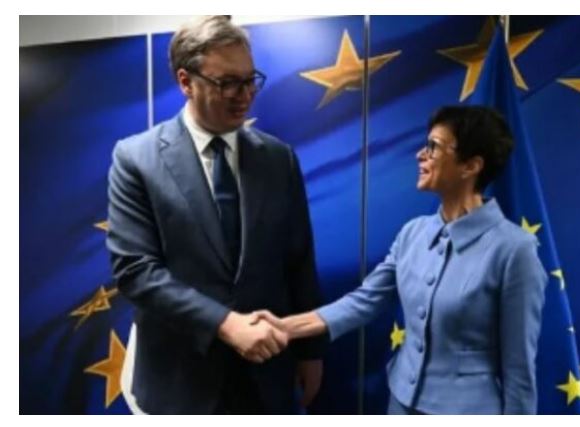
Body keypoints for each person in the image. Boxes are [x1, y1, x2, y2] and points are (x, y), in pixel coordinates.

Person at [256, 106, 547, 414]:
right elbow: (364, 301)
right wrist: (285, 327)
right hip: (400, 402)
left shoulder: (515, 250)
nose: (420, 155)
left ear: (471, 166)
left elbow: (519, 369)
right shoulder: (413, 233)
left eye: (434, 146)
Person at [106, 15, 325, 414]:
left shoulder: (279, 159)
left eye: (250, 80)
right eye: (227, 82)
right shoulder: (136, 159)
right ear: (186, 81)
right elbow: (136, 271)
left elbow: (298, 261)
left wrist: (310, 351)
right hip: (180, 378)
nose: (244, 95)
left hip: (266, 375)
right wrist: (225, 323)